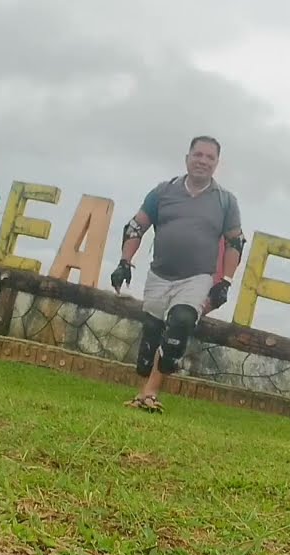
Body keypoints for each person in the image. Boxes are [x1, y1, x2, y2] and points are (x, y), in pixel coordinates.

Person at [110, 135, 246, 412]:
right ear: (187, 158)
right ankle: (145, 388)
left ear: (217, 164)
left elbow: (235, 242)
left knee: (181, 321)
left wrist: (225, 281)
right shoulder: (163, 192)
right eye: (198, 155)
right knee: (151, 338)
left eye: (210, 157)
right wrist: (124, 262)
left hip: (197, 277)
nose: (203, 161)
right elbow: (136, 226)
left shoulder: (226, 201)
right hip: (159, 275)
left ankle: (151, 392)